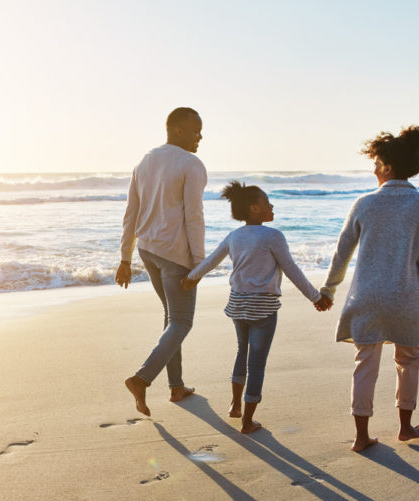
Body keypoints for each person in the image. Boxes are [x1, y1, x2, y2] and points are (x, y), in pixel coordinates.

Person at [318, 126, 419, 452]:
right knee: (408, 360)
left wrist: (329, 289)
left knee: (365, 364)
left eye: (375, 164)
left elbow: (342, 252)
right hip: (406, 298)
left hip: (367, 297)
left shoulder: (363, 204)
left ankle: (361, 436)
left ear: (387, 167)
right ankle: (404, 428)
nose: (373, 170)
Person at [182, 181, 331, 433]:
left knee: (242, 352)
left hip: (238, 304)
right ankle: (248, 421)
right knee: (257, 364)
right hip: (263, 307)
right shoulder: (273, 236)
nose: (271, 206)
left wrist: (191, 277)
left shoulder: (234, 236)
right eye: (266, 202)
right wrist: (316, 297)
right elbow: (292, 270)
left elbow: (210, 262)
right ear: (254, 209)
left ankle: (235, 405)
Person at [117, 107, 207, 416]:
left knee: (172, 317)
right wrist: (199, 264)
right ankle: (142, 378)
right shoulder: (191, 164)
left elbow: (131, 213)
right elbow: (194, 216)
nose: (200, 136)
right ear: (179, 130)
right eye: (196, 130)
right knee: (181, 322)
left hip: (147, 251)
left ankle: (177, 387)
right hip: (175, 255)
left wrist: (125, 259)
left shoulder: (145, 161)